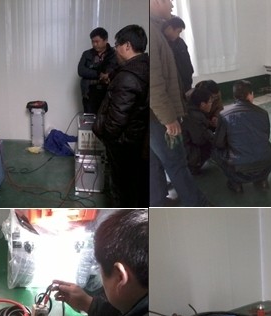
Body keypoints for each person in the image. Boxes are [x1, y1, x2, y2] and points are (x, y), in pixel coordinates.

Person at [149, 0, 209, 206]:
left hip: (152, 114)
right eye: (169, 1)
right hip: (158, 116)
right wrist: (169, 119)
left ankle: (158, 201)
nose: (172, 6)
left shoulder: (155, 30)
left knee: (154, 162)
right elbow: (154, 82)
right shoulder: (151, 32)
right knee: (176, 163)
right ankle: (197, 205)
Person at [92, 25, 149, 207]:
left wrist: (107, 138)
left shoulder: (128, 78)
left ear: (127, 46)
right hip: (137, 139)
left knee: (122, 188)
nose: (115, 49)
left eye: (117, 45)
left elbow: (116, 121)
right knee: (136, 185)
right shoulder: (145, 67)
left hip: (124, 144)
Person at [213, 80, 271, 193]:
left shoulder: (224, 114)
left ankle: (235, 183)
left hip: (238, 168)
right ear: (250, 94)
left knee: (215, 151)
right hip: (265, 165)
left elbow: (219, 143)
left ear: (234, 96)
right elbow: (266, 136)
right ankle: (262, 180)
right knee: (264, 146)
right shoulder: (263, 113)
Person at [77, 27, 117, 114]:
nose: (94, 44)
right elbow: (81, 70)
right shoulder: (87, 54)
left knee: (106, 117)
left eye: (97, 41)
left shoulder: (114, 54)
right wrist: (99, 74)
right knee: (89, 117)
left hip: (107, 93)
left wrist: (107, 75)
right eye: (92, 42)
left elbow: (113, 69)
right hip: (88, 93)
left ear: (105, 40)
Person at [181, 88, 216, 175]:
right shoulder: (196, 116)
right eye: (210, 102)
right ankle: (194, 166)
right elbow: (200, 139)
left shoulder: (189, 110)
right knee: (215, 142)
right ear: (203, 104)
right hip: (188, 154)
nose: (211, 104)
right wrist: (213, 135)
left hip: (183, 151)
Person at [162, 16, 194, 94]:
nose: (178, 35)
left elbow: (187, 61)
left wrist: (190, 72)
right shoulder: (163, 44)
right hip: (173, 84)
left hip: (186, 81)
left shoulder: (180, 42)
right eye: (178, 31)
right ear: (169, 29)